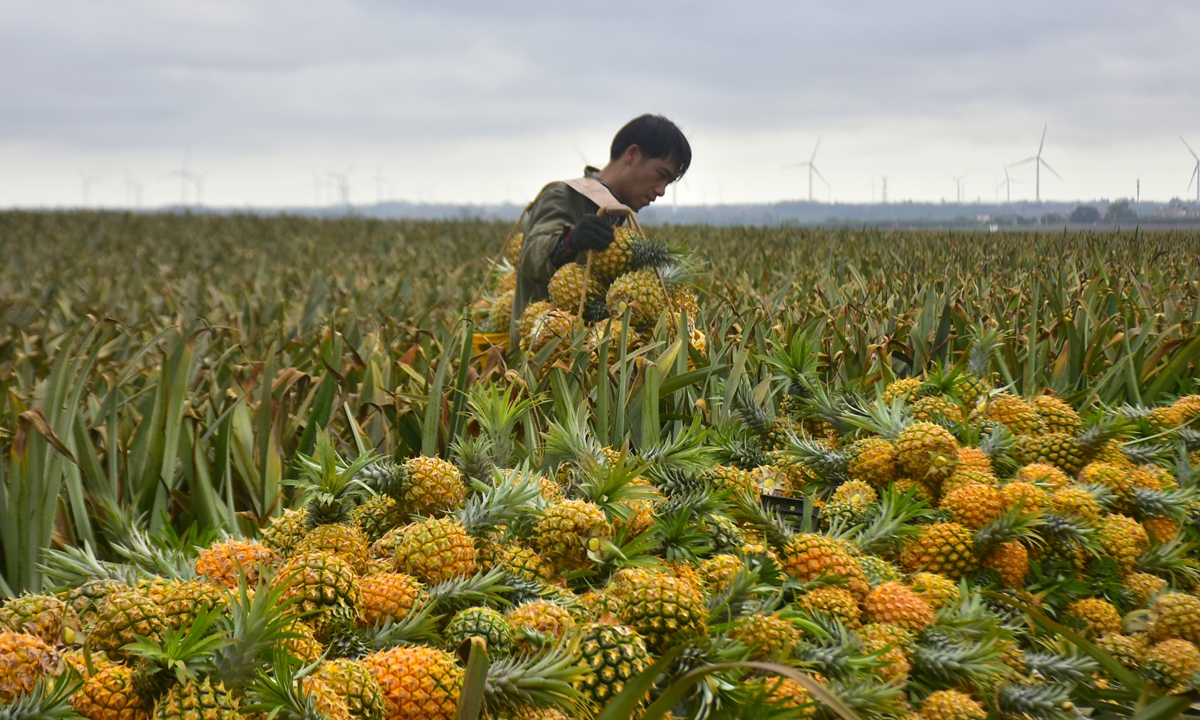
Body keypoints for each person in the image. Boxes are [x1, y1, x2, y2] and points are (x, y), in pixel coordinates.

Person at [509, 114, 691, 348]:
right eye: (661, 175)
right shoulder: (564, 195)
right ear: (632, 154)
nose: (662, 191)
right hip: (540, 356)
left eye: (669, 183)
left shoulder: (619, 213)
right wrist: (571, 239)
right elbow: (530, 255)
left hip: (586, 356)